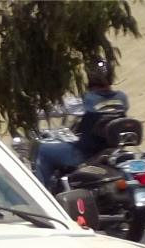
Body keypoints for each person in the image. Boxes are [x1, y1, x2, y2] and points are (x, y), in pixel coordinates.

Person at [34, 60, 129, 191]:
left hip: (85, 153)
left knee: (44, 150)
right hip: (110, 149)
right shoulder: (121, 98)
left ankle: (43, 193)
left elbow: (58, 109)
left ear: (91, 77)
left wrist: (33, 112)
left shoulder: (86, 100)